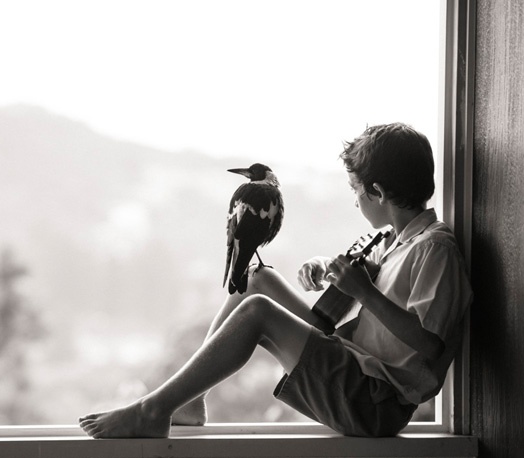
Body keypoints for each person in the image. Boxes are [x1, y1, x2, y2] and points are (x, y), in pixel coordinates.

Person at [79, 123, 473, 438]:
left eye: (356, 191)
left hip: (373, 400)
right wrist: (325, 268)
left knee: (258, 313)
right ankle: (190, 400)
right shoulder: (393, 241)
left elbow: (430, 344)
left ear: (378, 191)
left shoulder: (434, 249)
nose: (355, 201)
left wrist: (363, 291)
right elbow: (361, 288)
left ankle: (153, 410)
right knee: (258, 279)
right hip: (354, 362)